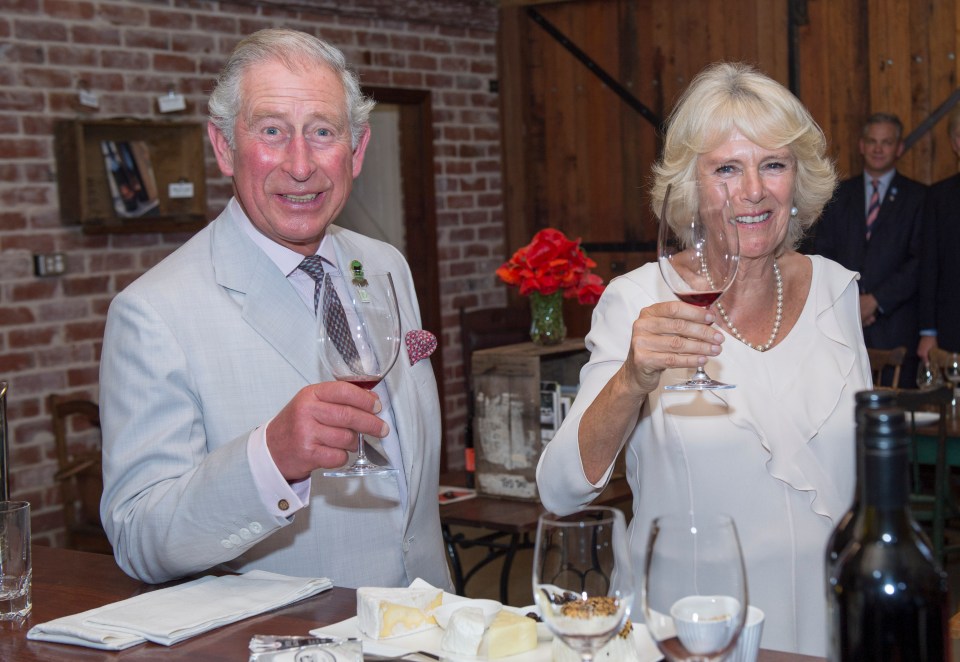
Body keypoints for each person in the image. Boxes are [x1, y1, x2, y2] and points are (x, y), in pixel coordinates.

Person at [99, 28, 452, 591]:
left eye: (322, 132)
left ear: (356, 151)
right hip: (294, 641)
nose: (301, 164)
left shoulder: (385, 266)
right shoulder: (154, 312)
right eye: (271, 131)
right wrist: (269, 458)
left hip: (432, 623)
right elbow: (138, 536)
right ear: (222, 147)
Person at [536, 62, 870, 656]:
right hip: (689, 632)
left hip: (826, 626)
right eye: (726, 169)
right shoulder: (638, 301)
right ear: (691, 185)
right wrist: (632, 379)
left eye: (774, 164)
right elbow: (560, 491)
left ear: (798, 181)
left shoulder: (833, 293)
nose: (753, 191)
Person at [815, 112, 926, 386]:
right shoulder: (836, 195)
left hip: (895, 326)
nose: (878, 149)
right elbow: (822, 252)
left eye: (886, 142)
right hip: (841, 320)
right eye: (872, 141)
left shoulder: (920, 197)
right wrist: (851, 299)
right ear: (861, 146)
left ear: (899, 148)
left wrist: (876, 300)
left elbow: (920, 260)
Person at [918, 106, 960, 361]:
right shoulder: (939, 197)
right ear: (956, 144)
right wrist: (928, 331)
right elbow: (929, 268)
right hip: (952, 331)